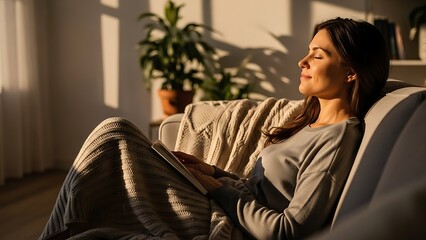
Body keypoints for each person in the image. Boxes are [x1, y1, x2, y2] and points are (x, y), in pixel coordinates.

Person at [39, 17, 389, 240]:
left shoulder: (338, 138)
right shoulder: (311, 123)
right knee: (112, 151)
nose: (303, 61)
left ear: (350, 72)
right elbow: (260, 189)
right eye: (308, 52)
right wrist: (212, 171)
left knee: (115, 135)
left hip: (226, 222)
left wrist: (216, 188)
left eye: (318, 55)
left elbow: (286, 230)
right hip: (221, 201)